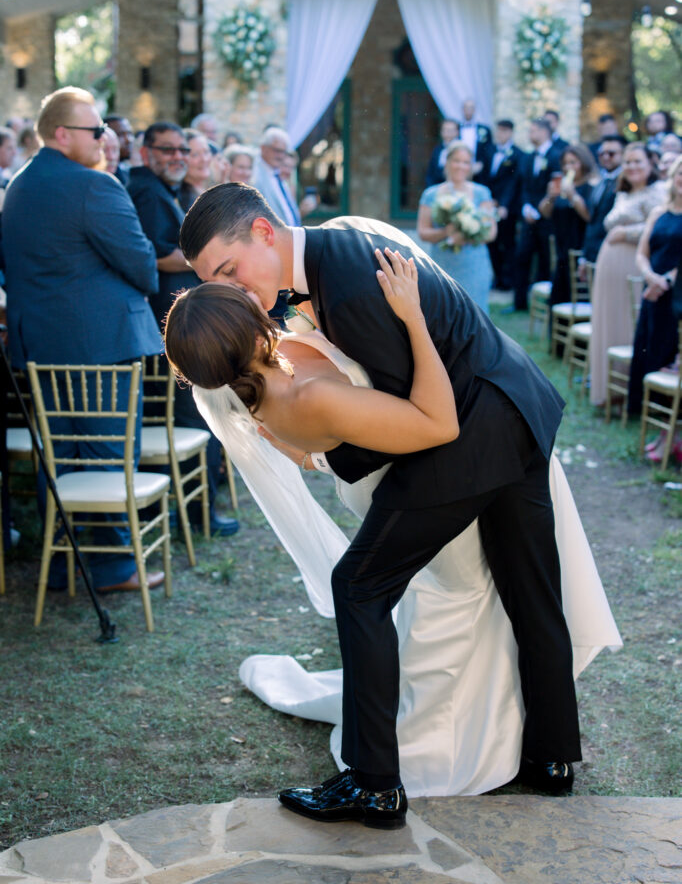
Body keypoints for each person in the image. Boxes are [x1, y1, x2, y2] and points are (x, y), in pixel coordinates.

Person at [179, 183, 585, 824]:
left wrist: (321, 451)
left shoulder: (350, 282)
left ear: (263, 231)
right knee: (532, 589)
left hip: (474, 434)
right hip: (519, 405)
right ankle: (554, 756)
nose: (232, 289)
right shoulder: (330, 260)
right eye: (213, 282)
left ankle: (373, 782)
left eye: (228, 271)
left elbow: (410, 422)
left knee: (359, 585)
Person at [1, 87, 164, 593]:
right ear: (61, 134)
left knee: (63, 458)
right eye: (96, 130)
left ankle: (66, 561)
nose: (106, 138)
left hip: (43, 348)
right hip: (102, 346)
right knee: (107, 454)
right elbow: (144, 267)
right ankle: (114, 566)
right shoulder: (95, 186)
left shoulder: (19, 186)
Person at [128, 121, 239, 539]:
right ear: (146, 152)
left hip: (181, 321)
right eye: (168, 150)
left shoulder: (164, 190)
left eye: (182, 150)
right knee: (196, 417)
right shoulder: (147, 191)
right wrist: (209, 261)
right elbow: (155, 256)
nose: (177, 157)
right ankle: (198, 515)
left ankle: (196, 511)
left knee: (198, 415)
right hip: (172, 324)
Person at [589, 143, 666, 408]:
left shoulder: (657, 192)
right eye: (628, 162)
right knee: (607, 320)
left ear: (650, 164)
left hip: (632, 266)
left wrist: (626, 233)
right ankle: (605, 388)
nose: (632, 167)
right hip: (608, 266)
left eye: (638, 162)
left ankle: (625, 388)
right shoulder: (622, 193)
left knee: (626, 322)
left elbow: (658, 226)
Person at [627, 156, 682, 430]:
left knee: (667, 347)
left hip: (676, 295)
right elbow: (642, 253)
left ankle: (665, 416)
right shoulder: (659, 212)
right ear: (673, 177)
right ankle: (642, 408)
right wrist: (651, 278)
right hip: (652, 291)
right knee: (647, 344)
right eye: (680, 173)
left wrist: (667, 282)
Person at [417, 141, 497, 313]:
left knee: (475, 315)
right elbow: (423, 232)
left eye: (466, 162)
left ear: (471, 166)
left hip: (474, 266)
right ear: (447, 162)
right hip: (442, 265)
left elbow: (490, 232)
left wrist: (466, 234)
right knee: (443, 313)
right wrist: (447, 232)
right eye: (456, 160)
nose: (461, 166)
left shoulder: (482, 193)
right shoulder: (431, 194)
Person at [511, 118, 561, 312]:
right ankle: (520, 303)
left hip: (547, 220)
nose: (529, 135)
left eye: (532, 131)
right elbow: (524, 186)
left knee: (546, 261)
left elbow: (554, 188)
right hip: (528, 218)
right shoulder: (528, 157)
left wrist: (540, 211)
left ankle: (546, 306)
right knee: (521, 257)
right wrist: (526, 208)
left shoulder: (556, 156)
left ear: (544, 132)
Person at [539, 143, 597, 309]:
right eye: (565, 163)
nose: (568, 167)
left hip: (580, 250)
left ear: (583, 162)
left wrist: (573, 195)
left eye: (573, 162)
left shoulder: (590, 187)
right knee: (559, 294)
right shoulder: (561, 186)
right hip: (561, 249)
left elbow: (589, 216)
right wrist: (551, 196)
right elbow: (545, 212)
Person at [479, 118, 525, 291]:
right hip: (489, 204)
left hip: (507, 208)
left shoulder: (518, 154)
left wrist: (503, 204)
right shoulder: (489, 150)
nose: (500, 134)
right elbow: (483, 176)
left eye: (504, 131)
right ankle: (497, 277)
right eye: (498, 131)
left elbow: (513, 183)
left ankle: (508, 280)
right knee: (491, 242)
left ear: (510, 133)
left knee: (507, 243)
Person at [583, 136, 624, 263]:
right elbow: (592, 221)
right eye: (602, 154)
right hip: (593, 251)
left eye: (611, 154)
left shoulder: (626, 182)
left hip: (614, 251)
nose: (606, 157)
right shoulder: (600, 181)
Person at [252, 126, 302, 226]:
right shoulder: (254, 174)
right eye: (276, 150)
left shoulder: (278, 174)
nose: (280, 156)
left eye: (283, 151)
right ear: (263, 148)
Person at [178, 129, 213, 212]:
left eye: (206, 152)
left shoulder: (209, 190)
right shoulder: (184, 200)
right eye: (195, 155)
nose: (204, 159)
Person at [425, 118, 460, 187]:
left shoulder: (462, 150)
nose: (448, 133)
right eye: (446, 130)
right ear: (441, 132)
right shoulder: (437, 150)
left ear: (457, 132)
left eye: (451, 130)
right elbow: (431, 173)